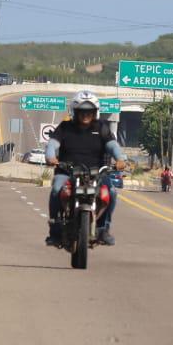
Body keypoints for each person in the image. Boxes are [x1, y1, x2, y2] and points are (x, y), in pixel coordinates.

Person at [45, 92, 125, 245]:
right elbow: (53, 144)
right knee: (56, 189)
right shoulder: (65, 127)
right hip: (68, 172)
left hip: (97, 173)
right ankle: (55, 230)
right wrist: (50, 157)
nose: (85, 115)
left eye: (89, 111)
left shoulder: (102, 127)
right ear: (75, 112)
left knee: (112, 193)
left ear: (95, 112)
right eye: (82, 111)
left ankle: (103, 229)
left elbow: (113, 146)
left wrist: (120, 159)